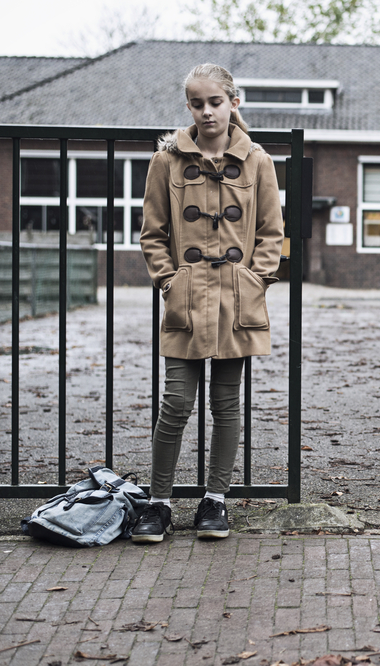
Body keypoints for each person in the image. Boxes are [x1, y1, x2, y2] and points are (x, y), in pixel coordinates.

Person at [134, 63, 284, 542]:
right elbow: (153, 232)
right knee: (175, 402)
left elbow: (271, 233)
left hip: (236, 301)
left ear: (233, 102)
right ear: (189, 107)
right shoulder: (168, 161)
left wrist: (253, 280)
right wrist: (168, 281)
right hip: (186, 297)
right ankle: (158, 504)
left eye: (215, 102)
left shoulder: (258, 160)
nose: (206, 112)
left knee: (225, 403)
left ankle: (214, 501)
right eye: (196, 104)